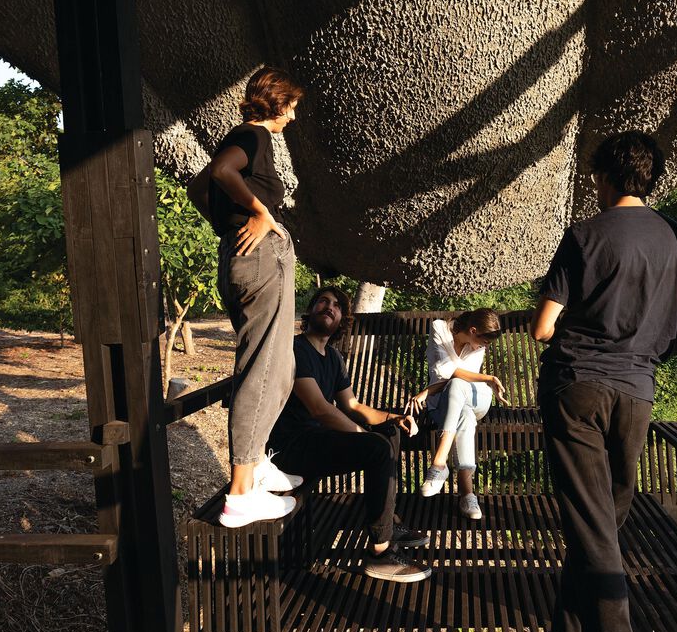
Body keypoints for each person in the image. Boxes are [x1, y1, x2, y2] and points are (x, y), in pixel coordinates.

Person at [514, 131, 677, 632]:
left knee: (594, 531)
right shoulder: (674, 239)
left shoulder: (585, 235)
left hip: (579, 388)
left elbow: (542, 327)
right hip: (637, 393)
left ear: (605, 178)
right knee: (599, 528)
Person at [187, 66, 306, 529]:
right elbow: (221, 172)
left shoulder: (243, 138)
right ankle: (240, 495)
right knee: (264, 368)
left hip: (240, 259)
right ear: (276, 102)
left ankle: (255, 467)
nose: (293, 117)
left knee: (279, 366)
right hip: (261, 260)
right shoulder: (254, 136)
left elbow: (201, 186)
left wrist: (228, 223)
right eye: (291, 106)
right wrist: (258, 214)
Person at [270, 285, 434, 582]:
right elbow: (319, 408)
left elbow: (353, 405)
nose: (328, 307)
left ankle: (387, 522)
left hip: (316, 439)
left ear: (342, 319)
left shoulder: (333, 357)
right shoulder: (295, 350)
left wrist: (393, 417)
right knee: (376, 448)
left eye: (336, 305)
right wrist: (363, 436)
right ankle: (379, 554)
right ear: (312, 310)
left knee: (389, 432)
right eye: (323, 301)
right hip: (290, 446)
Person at [404, 308, 508, 520]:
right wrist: (488, 377)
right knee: (465, 417)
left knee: (460, 388)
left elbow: (459, 379)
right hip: (445, 405)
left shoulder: (477, 346)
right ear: (472, 330)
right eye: (485, 342)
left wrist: (426, 391)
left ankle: (439, 464)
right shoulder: (439, 329)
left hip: (477, 397)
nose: (485, 347)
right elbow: (444, 373)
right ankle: (467, 495)